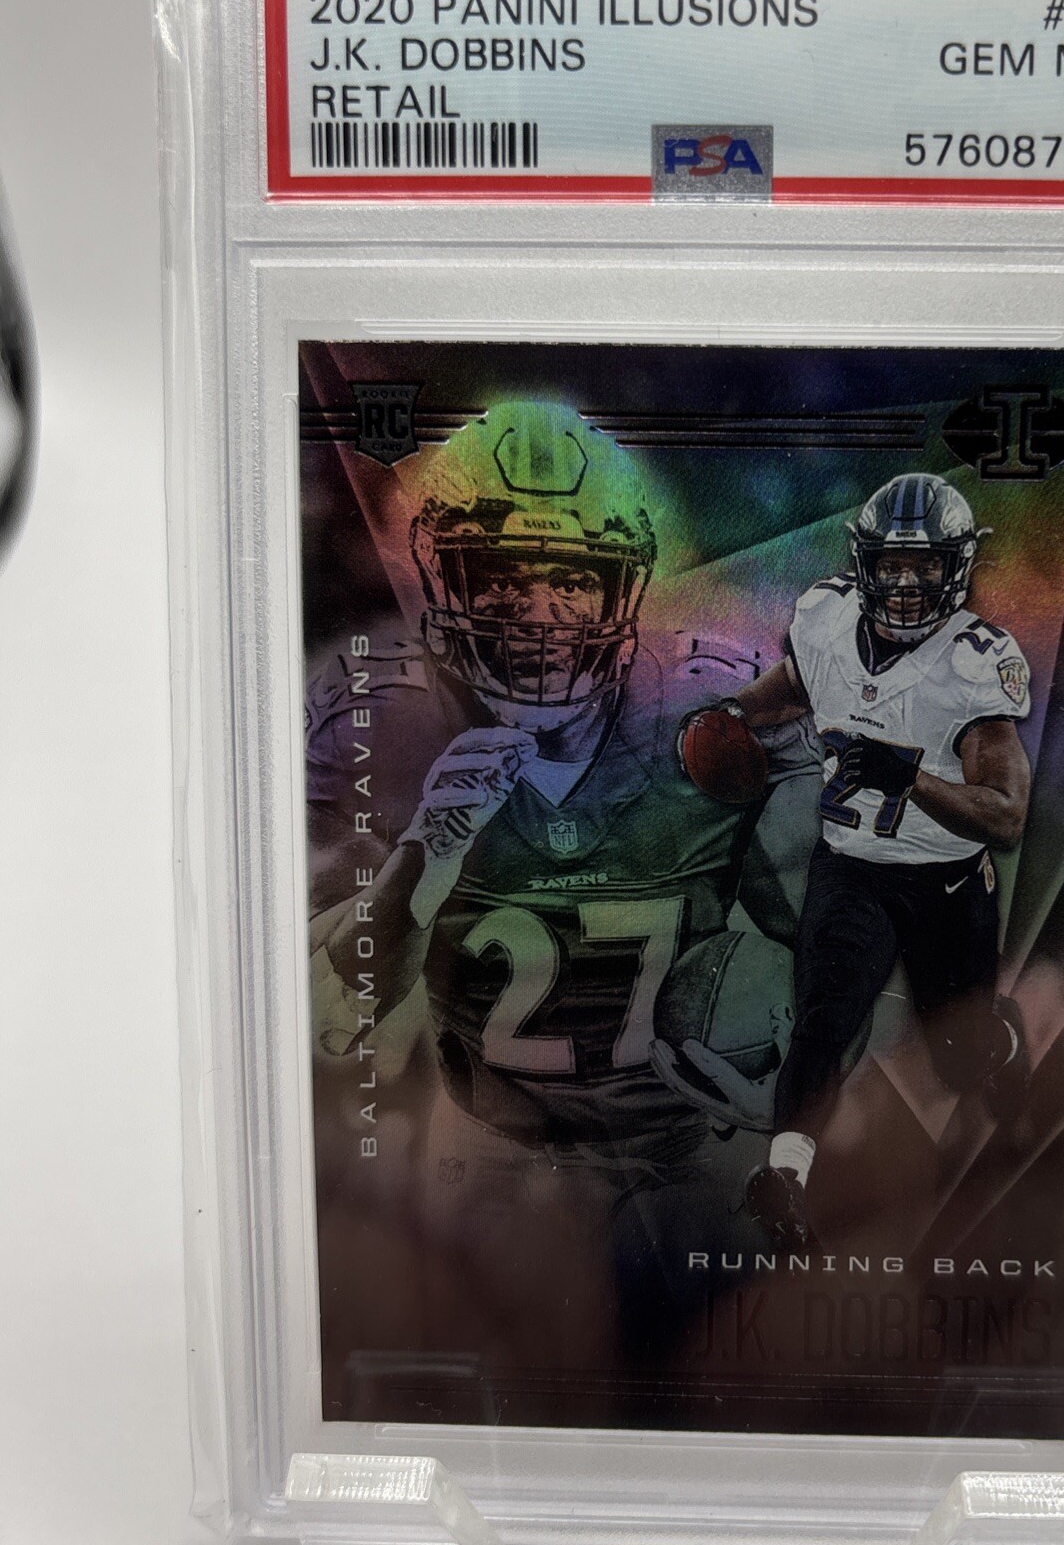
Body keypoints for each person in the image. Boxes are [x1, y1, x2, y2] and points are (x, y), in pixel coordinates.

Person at [307, 400, 816, 1374]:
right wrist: (427, 851)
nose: (536, 613)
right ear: (444, 581)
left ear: (624, 590)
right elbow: (333, 1017)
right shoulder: (381, 721)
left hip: (692, 1154)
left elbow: (833, 948)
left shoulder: (713, 716)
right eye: (499, 578)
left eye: (573, 581)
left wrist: (786, 1058)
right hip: (481, 1165)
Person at [658, 473, 1035, 1253]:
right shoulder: (825, 617)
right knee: (824, 1020)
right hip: (853, 864)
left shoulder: (974, 661)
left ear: (957, 567)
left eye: (925, 566)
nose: (906, 584)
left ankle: (1000, 1042)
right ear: (864, 563)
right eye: (891, 565)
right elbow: (794, 688)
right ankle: (784, 1177)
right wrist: (732, 715)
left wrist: (911, 778)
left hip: (945, 881)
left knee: (960, 1059)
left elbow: (1005, 814)